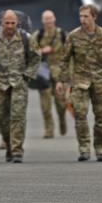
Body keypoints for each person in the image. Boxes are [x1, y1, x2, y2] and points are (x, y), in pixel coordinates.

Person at [56, 4, 102, 162]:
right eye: (81, 16)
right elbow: (64, 60)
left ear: (94, 17)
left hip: (100, 81)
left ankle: (101, 148)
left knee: (101, 117)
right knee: (80, 114)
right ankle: (84, 148)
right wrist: (62, 80)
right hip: (80, 81)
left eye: (86, 16)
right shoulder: (73, 36)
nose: (83, 20)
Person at [0, 10, 38, 162]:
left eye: (13, 23)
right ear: (1, 23)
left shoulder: (26, 39)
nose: (10, 26)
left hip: (19, 83)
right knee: (1, 117)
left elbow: (35, 58)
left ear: (17, 23)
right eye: (7, 23)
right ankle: (9, 143)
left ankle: (17, 150)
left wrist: (27, 76)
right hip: (0, 84)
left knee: (18, 117)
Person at [30, 10, 68, 139]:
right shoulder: (38, 35)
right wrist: (42, 51)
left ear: (54, 19)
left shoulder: (62, 35)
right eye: (46, 19)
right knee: (45, 105)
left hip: (59, 74)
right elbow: (31, 52)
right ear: (42, 20)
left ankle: (62, 120)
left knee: (61, 103)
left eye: (50, 18)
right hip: (44, 73)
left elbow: (69, 54)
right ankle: (49, 129)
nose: (48, 21)